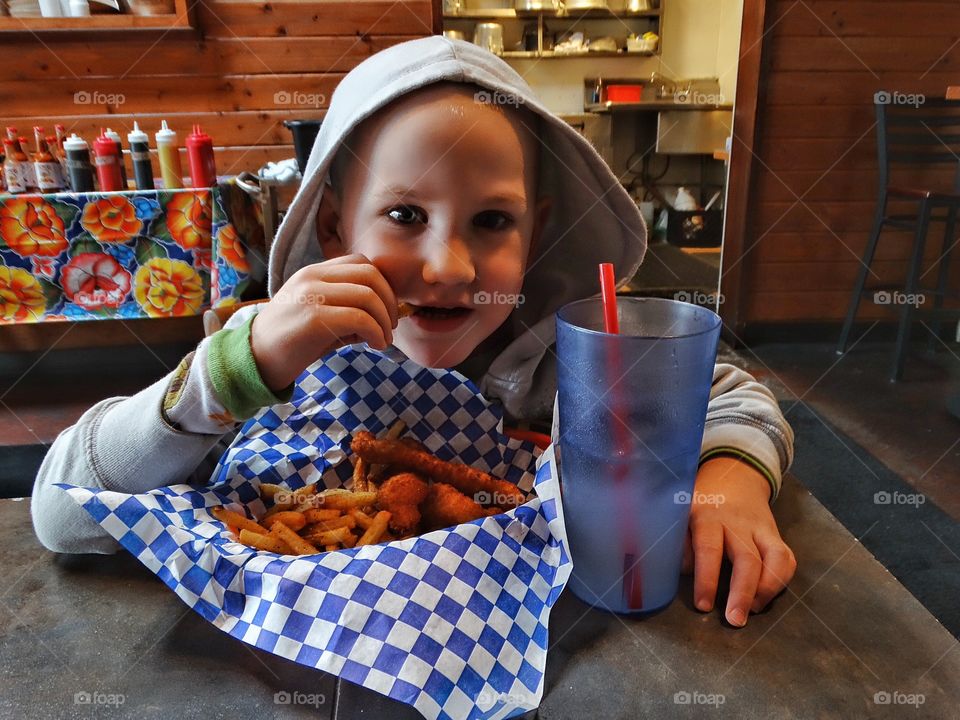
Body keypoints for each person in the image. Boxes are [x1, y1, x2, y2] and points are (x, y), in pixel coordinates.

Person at [31, 37, 795, 628]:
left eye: (492, 221)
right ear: (333, 227)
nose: (448, 266)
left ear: (538, 234)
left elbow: (733, 398)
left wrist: (732, 480)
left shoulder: (564, 364)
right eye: (404, 216)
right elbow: (61, 513)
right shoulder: (268, 363)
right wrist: (232, 374)